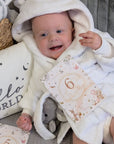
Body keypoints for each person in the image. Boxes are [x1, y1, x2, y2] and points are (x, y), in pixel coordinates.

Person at [12, 0, 114, 144]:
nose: (53, 38)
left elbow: (111, 61)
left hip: (108, 99)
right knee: (79, 139)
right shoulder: (42, 63)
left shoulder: (86, 42)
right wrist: (26, 113)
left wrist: (101, 46)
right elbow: (33, 91)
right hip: (80, 119)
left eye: (59, 31)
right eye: (43, 35)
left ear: (72, 31)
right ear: (34, 38)